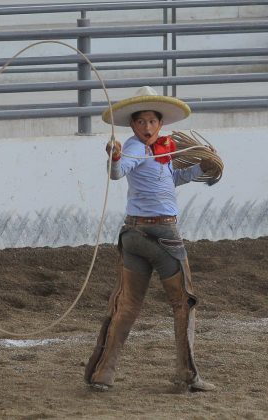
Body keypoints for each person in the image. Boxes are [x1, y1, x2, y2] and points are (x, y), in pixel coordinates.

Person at [84, 86, 216, 392]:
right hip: (164, 235)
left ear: (160, 124)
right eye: (141, 122)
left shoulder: (163, 151)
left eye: (151, 122)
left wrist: (198, 168)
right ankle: (187, 373)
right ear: (133, 125)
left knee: (127, 303)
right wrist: (115, 158)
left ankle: (104, 372)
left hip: (133, 235)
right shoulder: (133, 148)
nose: (146, 127)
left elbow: (172, 179)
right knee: (183, 302)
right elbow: (117, 172)